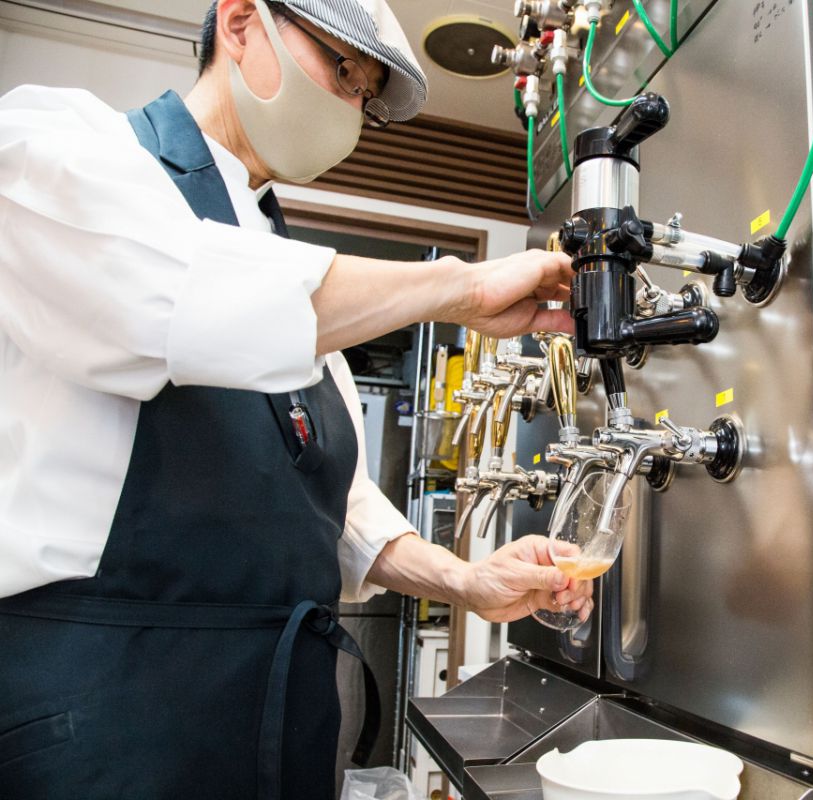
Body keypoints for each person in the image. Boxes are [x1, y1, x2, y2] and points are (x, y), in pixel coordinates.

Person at [0, 1, 588, 797]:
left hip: (277, 727)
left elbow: (339, 517)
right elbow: (168, 295)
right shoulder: (58, 143)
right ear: (242, 23)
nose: (350, 110)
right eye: (345, 73)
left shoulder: (286, 275)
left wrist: (466, 580)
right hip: (107, 718)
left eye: (366, 99)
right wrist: (459, 286)